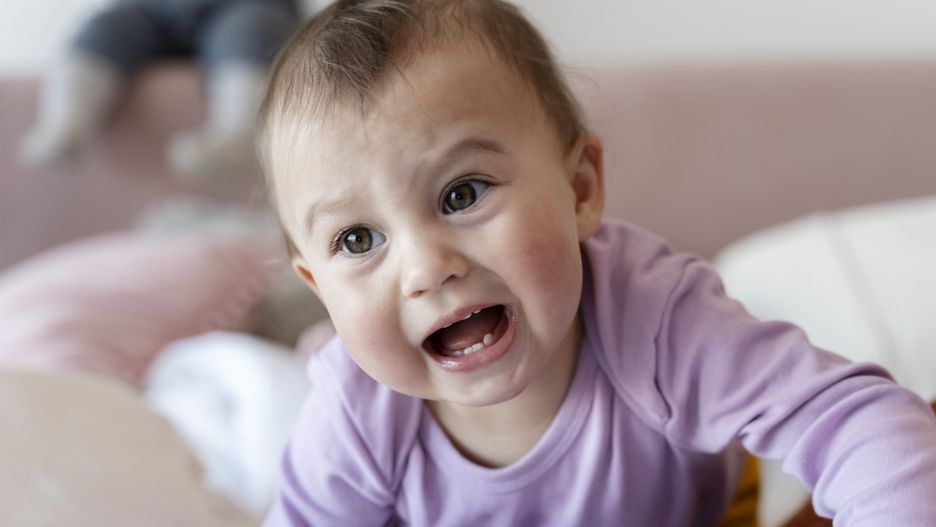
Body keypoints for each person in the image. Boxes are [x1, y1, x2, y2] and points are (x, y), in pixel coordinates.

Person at [256, 1, 936, 525]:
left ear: (580, 190)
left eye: (461, 194)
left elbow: (858, 422)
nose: (426, 268)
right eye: (356, 240)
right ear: (317, 285)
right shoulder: (356, 417)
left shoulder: (656, 319)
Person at [21, 0, 302, 181]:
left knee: (252, 31)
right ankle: (67, 121)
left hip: (245, 7)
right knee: (105, 28)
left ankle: (239, 135)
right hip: (154, 10)